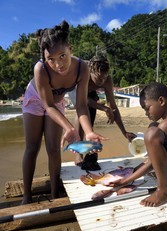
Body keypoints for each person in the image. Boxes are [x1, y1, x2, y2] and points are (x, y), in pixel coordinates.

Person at [22, 21, 106, 204]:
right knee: (32, 147)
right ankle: (27, 196)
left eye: (62, 56)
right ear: (44, 58)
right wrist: (69, 127)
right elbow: (47, 105)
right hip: (36, 100)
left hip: (57, 103)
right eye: (50, 59)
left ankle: (54, 193)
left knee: (53, 149)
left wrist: (89, 131)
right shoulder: (41, 69)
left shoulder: (82, 68)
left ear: (70, 48)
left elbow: (82, 105)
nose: (58, 64)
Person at [106, 82, 167, 207]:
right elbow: (155, 159)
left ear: (161, 101)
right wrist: (131, 171)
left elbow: (150, 163)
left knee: (152, 134)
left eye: (147, 108)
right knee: (153, 127)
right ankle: (163, 183)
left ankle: (164, 190)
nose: (146, 113)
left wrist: (127, 179)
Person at [74, 53, 136, 171]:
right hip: (77, 90)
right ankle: (78, 154)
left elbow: (113, 106)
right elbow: (83, 101)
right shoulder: (84, 72)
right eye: (98, 78)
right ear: (91, 71)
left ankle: (87, 149)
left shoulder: (107, 80)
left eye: (104, 78)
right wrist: (104, 109)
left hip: (91, 93)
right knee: (82, 114)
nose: (101, 82)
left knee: (90, 121)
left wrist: (124, 132)